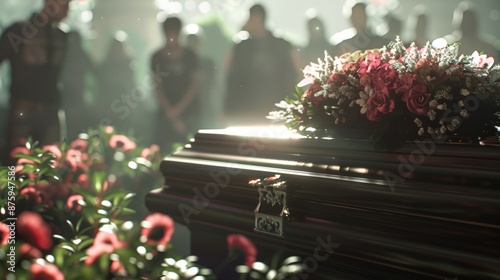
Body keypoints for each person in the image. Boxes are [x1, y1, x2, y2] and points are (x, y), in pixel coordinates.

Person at [0, 0, 70, 164]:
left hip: (51, 112)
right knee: (15, 167)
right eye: (65, 4)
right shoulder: (19, 31)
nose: (68, 10)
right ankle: (11, 190)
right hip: (23, 111)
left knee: (51, 168)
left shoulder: (63, 36)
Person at [223, 4, 301, 126]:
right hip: (246, 112)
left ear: (257, 18)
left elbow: (293, 76)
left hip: (276, 112)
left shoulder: (282, 45)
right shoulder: (241, 47)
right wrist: (228, 109)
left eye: (249, 18)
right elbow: (231, 77)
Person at [151, 17, 200, 150]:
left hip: (189, 114)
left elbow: (193, 86)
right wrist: (171, 114)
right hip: (165, 116)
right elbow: (157, 86)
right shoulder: (157, 57)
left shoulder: (190, 56)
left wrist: (177, 111)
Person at [61, 31, 95, 140]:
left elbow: (96, 75)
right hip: (68, 98)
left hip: (75, 98)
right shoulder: (66, 55)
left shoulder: (78, 56)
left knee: (76, 131)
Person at [186, 32, 220, 129]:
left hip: (206, 109)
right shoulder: (184, 65)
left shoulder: (208, 63)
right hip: (189, 112)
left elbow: (216, 87)